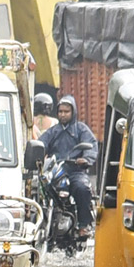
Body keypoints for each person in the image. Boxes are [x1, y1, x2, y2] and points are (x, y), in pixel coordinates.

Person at [38, 96, 98, 238]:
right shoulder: (53, 131)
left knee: (82, 188)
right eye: (60, 111)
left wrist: (85, 159)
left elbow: (91, 146)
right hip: (56, 171)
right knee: (40, 188)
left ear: (73, 112)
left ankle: (84, 225)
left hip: (75, 171)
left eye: (66, 111)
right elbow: (41, 145)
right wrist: (35, 156)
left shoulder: (81, 129)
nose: (63, 114)